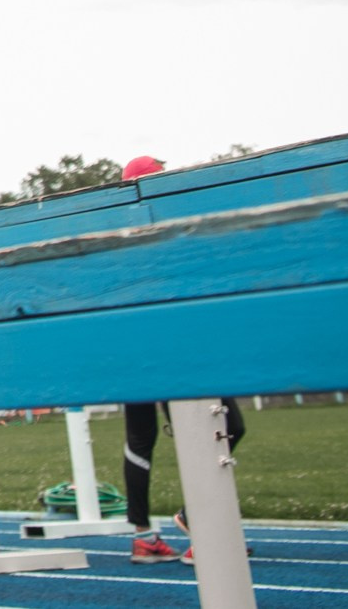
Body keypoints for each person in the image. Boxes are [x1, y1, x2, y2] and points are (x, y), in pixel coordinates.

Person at [114, 155, 246, 567]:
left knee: (142, 440)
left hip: (135, 348)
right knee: (225, 426)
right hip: (172, 349)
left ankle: (146, 535)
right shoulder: (165, 225)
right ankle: (198, 524)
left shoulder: (120, 232)